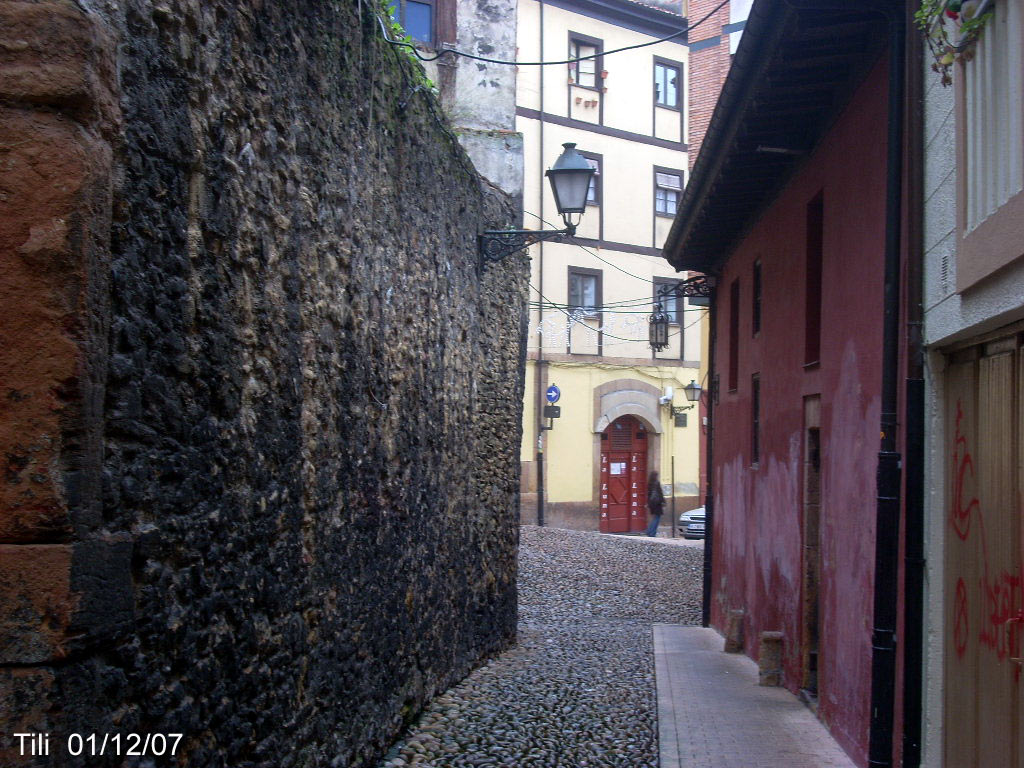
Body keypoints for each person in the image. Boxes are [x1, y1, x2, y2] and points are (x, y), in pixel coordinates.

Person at [646, 471, 665, 537]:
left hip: (652, 504)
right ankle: (652, 533)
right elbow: (660, 493)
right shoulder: (657, 483)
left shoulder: (649, 483)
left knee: (654, 518)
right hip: (657, 503)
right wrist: (663, 501)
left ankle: (649, 531)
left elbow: (649, 494)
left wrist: (648, 503)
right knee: (657, 518)